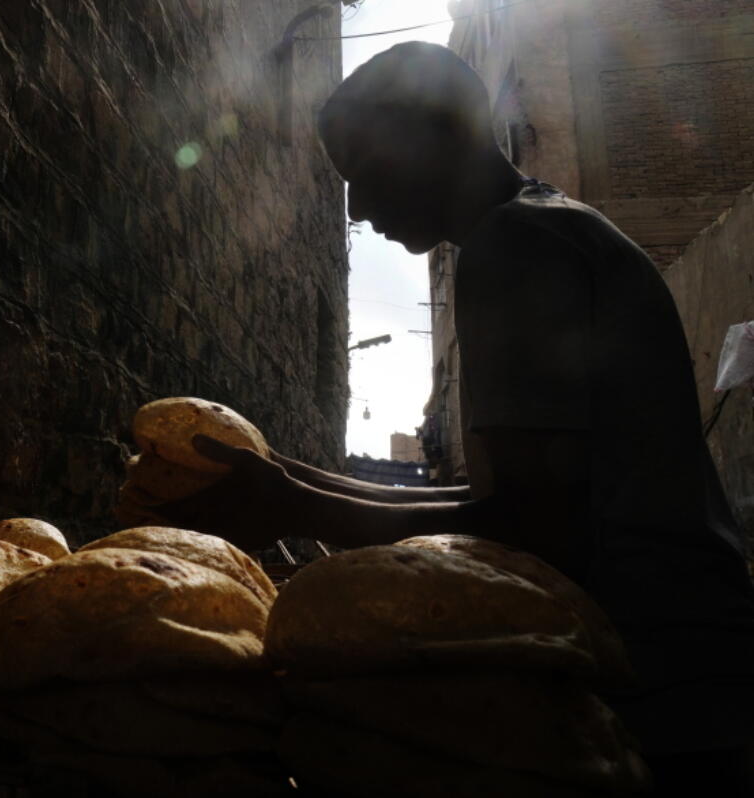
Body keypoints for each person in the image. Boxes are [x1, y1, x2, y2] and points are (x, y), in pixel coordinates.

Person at [158, 42, 754, 795]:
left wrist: (299, 506)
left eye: (364, 172)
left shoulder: (515, 246)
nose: (357, 209)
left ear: (434, 136)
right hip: (695, 667)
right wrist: (287, 480)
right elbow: (505, 506)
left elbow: (533, 529)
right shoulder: (549, 227)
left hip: (661, 681)